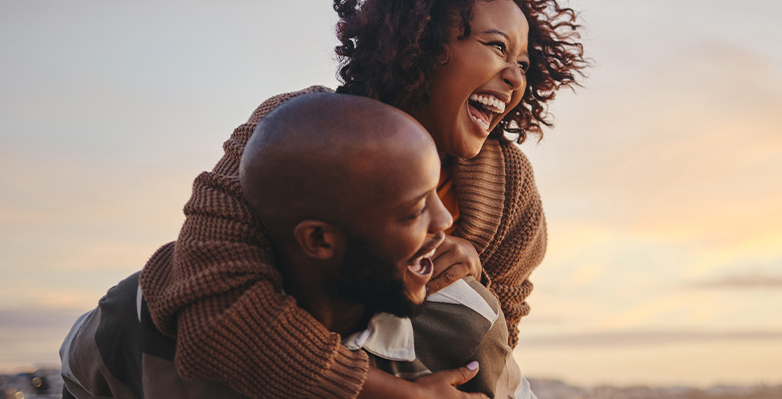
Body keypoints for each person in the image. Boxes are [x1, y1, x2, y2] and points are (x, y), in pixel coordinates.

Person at [139, 0, 587, 399]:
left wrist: (475, 273)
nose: (515, 77)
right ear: (422, 41)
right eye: (496, 46)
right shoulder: (298, 128)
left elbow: (498, 339)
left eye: (522, 63)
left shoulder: (510, 186)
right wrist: (388, 393)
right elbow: (214, 301)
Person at [60, 94, 533, 398]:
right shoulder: (137, 318)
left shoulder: (465, 325)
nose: (447, 223)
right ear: (320, 239)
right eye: (413, 211)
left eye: (438, 192)